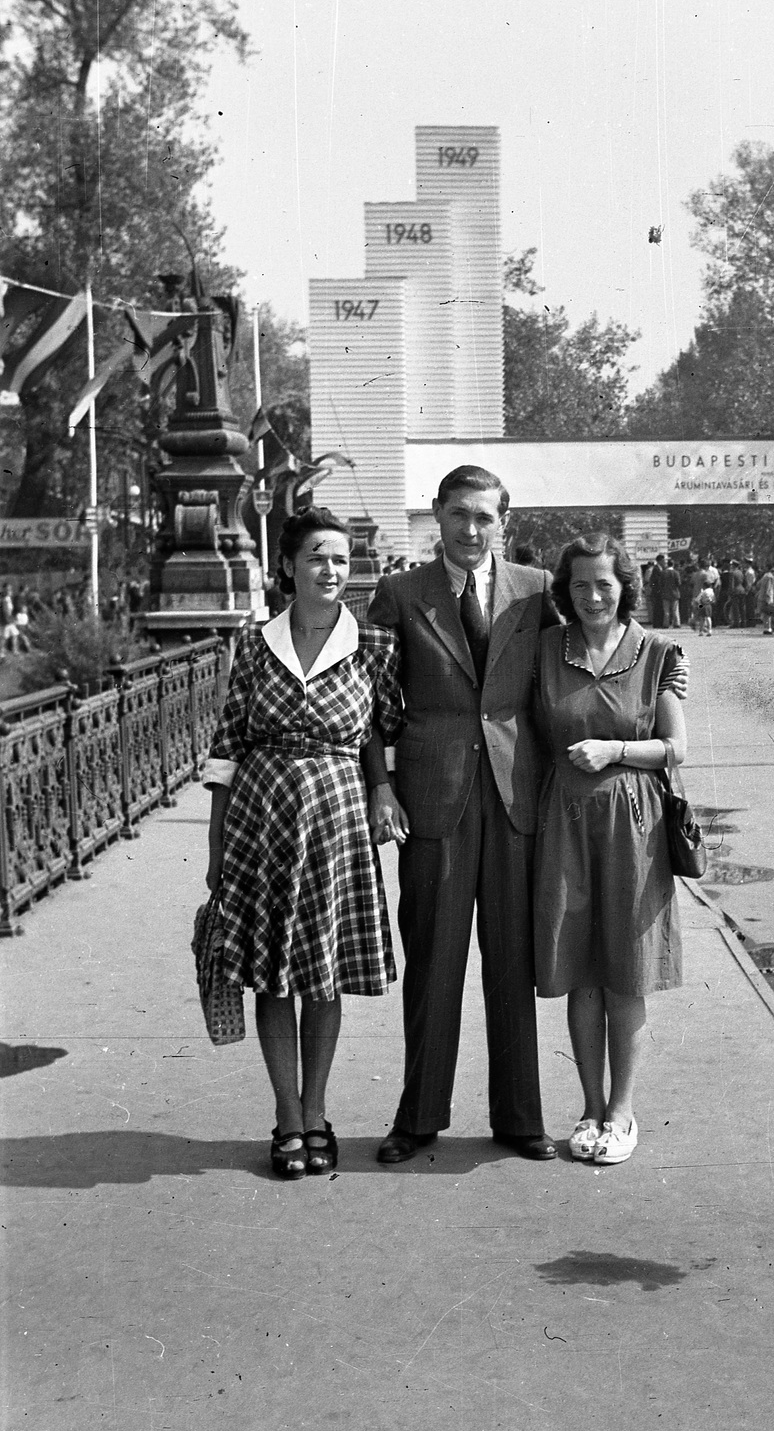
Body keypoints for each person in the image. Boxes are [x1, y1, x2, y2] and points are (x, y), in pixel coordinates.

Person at [365, 466, 563, 1163]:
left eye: (483, 517)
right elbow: (370, 705)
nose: (470, 530)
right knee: (433, 963)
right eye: (458, 515)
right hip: (431, 798)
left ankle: (518, 1117)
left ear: (502, 522)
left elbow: (592, 650)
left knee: (512, 963)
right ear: (437, 515)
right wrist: (380, 789)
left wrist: (663, 668)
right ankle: (418, 1117)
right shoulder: (398, 593)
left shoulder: (537, 592)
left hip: (515, 797)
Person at [204, 507, 405, 1179]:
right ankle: (287, 1116)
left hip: (336, 823)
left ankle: (317, 1111)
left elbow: (378, 731)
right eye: (318, 557)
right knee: (272, 975)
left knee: (321, 975)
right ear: (288, 564)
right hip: (261, 822)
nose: (331, 571)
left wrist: (381, 788)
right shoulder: (255, 645)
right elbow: (227, 750)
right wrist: (215, 854)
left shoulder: (372, 646)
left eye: (341, 560)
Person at [532, 534, 687, 1165]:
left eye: (604, 583)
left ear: (625, 586)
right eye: (579, 585)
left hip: (634, 827)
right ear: (564, 592)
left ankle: (622, 1113)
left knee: (627, 968)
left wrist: (614, 750)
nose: (593, 596)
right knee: (580, 970)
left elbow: (675, 747)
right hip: (564, 820)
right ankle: (589, 1108)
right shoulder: (545, 649)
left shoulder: (656, 653)